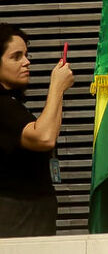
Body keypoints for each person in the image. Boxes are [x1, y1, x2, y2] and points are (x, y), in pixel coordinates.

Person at [0, 23, 74, 237]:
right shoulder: (2, 106)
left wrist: (59, 92)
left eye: (26, 54)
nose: (26, 62)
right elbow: (43, 137)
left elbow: (47, 131)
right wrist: (56, 87)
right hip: (16, 218)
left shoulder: (11, 103)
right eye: (16, 56)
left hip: (31, 215)